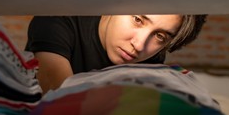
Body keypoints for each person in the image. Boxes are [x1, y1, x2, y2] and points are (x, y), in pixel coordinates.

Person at [25, 14, 207, 93]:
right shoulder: (58, 21)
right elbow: (59, 104)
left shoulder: (153, 57)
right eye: (137, 19)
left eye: (160, 36)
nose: (139, 45)